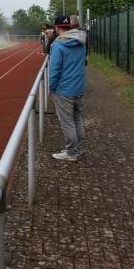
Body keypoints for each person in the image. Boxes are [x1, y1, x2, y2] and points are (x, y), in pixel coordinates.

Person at [49, 14, 87, 161]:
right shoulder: (81, 41)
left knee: (67, 122)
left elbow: (55, 70)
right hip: (78, 87)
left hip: (64, 89)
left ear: (57, 27)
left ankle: (71, 153)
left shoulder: (59, 45)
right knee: (77, 118)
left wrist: (52, 87)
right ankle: (78, 148)